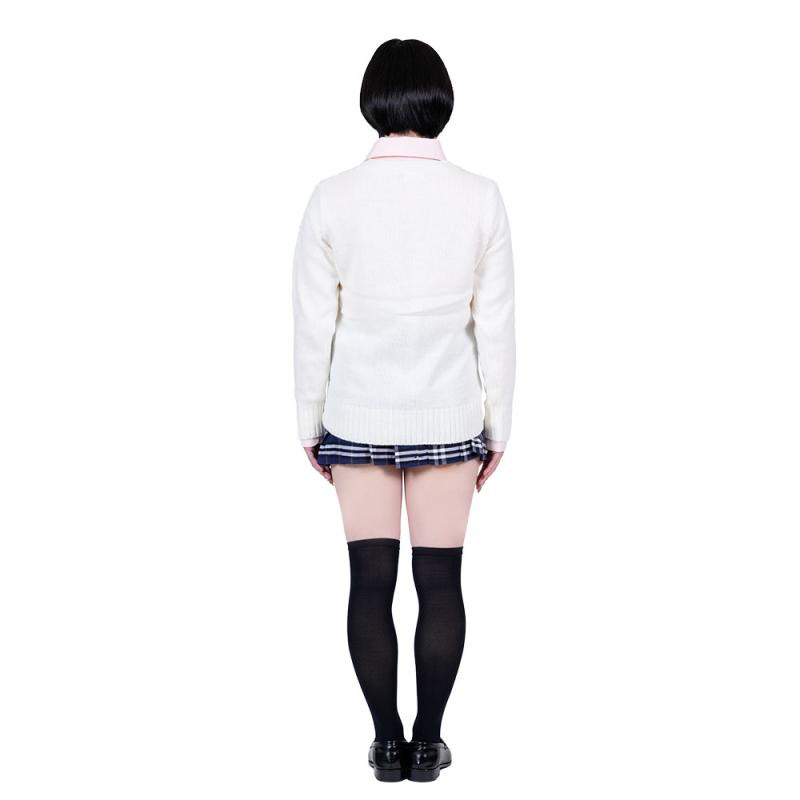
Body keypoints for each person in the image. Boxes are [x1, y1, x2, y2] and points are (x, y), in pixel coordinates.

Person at [292, 37, 516, 782]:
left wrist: (309, 422)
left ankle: (386, 741)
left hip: (357, 417)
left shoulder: (331, 197)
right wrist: (499, 426)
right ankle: (428, 741)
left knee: (369, 585)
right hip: (448, 420)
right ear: (440, 98)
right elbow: (496, 324)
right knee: (441, 585)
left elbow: (313, 325)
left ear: (373, 101)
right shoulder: (480, 196)